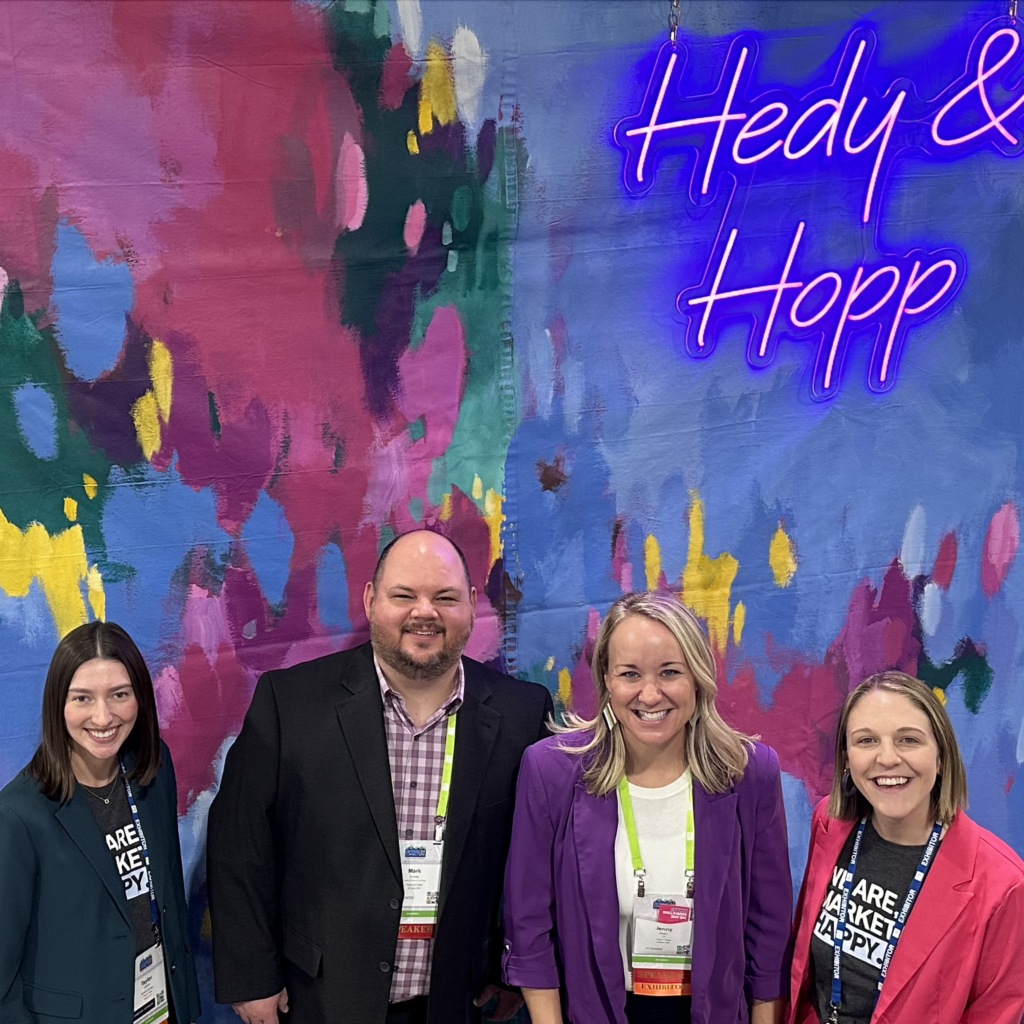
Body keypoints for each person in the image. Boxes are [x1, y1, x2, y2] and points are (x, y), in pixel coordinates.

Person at [207, 529, 553, 1024]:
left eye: (445, 597)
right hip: (323, 999)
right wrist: (251, 976)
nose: (424, 612)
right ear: (371, 600)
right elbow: (240, 844)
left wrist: (514, 963)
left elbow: (535, 861)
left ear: (473, 605)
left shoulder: (523, 714)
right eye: (404, 595)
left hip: (457, 1002)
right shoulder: (290, 703)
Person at [502, 590, 792, 1024]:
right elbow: (528, 925)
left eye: (670, 672)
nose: (650, 695)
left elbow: (768, 930)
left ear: (697, 677)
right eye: (630, 674)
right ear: (606, 681)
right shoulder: (551, 771)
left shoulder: (750, 773)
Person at [787, 671, 1024, 1024]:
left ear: (941, 756)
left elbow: (995, 1014)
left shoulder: (1003, 885)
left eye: (908, 740)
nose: (887, 758)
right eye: (866, 741)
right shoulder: (829, 824)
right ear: (847, 759)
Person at [0, 621, 200, 1024]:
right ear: (59, 705)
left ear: (139, 697)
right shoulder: (19, 816)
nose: (103, 716)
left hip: (161, 1009)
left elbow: (168, 899)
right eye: (83, 698)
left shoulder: (153, 770)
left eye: (119, 695)